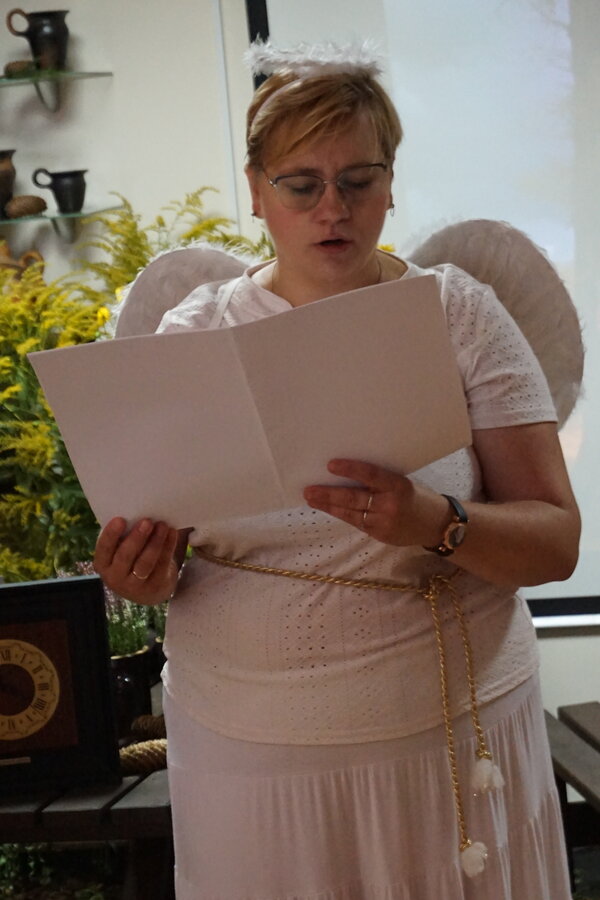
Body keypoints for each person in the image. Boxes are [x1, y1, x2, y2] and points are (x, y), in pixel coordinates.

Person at [94, 40, 582, 900]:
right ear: (255, 191)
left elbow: (556, 542)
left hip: (449, 731)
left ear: (391, 185)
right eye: (301, 184)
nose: (334, 208)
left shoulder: (459, 314)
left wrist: (434, 522)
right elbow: (157, 555)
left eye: (359, 180)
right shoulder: (195, 333)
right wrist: (140, 575)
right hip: (248, 748)